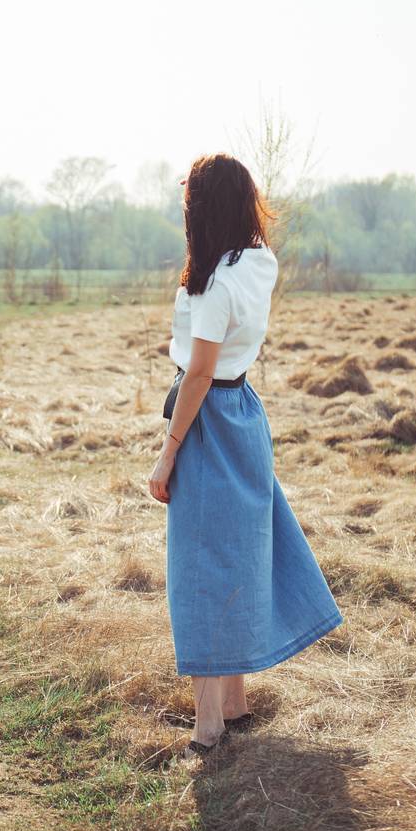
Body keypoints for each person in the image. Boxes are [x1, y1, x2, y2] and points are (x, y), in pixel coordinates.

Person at [147, 154, 342, 761]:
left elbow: (200, 373)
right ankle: (233, 703)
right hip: (245, 415)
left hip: (210, 423)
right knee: (234, 560)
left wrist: (168, 453)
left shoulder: (217, 283)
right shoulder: (259, 262)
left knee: (202, 572)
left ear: (203, 212)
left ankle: (208, 728)